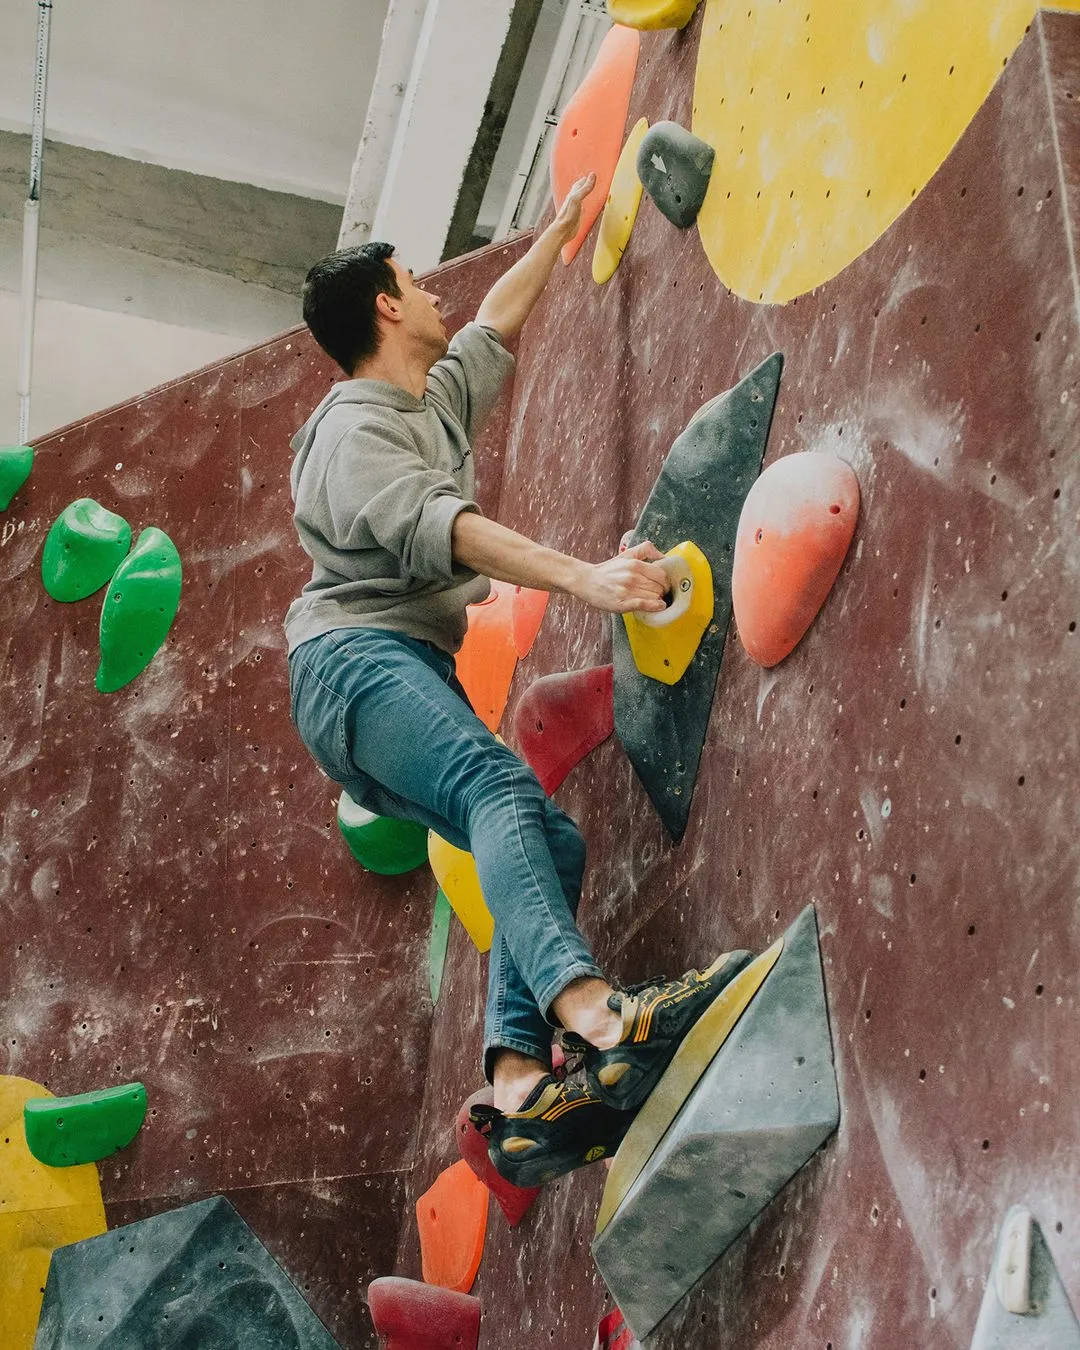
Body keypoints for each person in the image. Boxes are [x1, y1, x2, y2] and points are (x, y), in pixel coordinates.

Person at [285, 175, 752, 1186]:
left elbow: (491, 327)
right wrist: (590, 579)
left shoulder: (424, 403)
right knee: (498, 787)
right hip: (351, 664)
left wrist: (557, 231)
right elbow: (445, 528)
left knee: (551, 833)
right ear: (386, 304)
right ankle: (597, 1012)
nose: (436, 293)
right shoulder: (350, 433)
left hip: (391, 671)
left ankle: (514, 1084)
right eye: (415, 280)